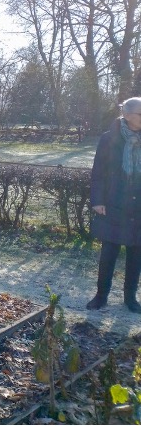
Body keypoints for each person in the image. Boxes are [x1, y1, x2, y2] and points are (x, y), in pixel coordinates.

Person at [87, 97, 141, 313]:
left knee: (136, 254)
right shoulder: (109, 139)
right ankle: (101, 296)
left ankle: (130, 298)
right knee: (109, 252)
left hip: (139, 205)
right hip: (114, 203)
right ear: (126, 115)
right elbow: (98, 171)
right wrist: (98, 200)